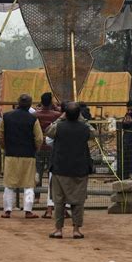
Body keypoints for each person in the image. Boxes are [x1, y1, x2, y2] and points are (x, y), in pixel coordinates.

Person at [49, 102, 93, 239]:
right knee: (78, 201)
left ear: (65, 114)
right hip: (79, 169)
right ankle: (76, 230)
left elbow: (48, 131)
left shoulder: (59, 127)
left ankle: (58, 230)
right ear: (78, 114)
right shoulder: (85, 128)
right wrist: (83, 119)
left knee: (59, 201)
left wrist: (60, 118)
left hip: (60, 168)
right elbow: (93, 133)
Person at [0, 93, 43, 219]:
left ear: (18, 102)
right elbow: (39, 138)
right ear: (30, 105)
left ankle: (7, 211)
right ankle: (28, 211)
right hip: (28, 155)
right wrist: (35, 149)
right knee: (29, 184)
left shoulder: (6, 117)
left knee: (9, 184)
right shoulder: (33, 119)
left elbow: (0, 136)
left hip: (11, 154)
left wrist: (5, 147)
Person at [33, 92, 61, 219]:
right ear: (51, 102)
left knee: (36, 174)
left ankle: (36, 197)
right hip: (51, 147)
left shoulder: (35, 115)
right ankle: (51, 200)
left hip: (38, 146)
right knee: (51, 174)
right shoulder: (56, 115)